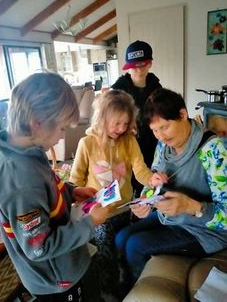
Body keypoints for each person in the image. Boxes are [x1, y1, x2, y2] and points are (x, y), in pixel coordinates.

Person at [0, 72, 110, 302]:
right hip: (56, 282)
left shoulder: (27, 150)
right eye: (62, 128)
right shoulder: (19, 181)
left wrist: (70, 190)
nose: (62, 136)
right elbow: (39, 247)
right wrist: (90, 223)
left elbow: (44, 189)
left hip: (63, 266)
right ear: (37, 123)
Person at [115, 87, 227, 285]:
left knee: (135, 245)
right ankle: (126, 284)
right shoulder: (163, 145)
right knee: (121, 237)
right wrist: (145, 199)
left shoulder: (213, 150)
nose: (161, 136)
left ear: (183, 115)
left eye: (165, 127)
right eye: (154, 130)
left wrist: (192, 207)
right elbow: (153, 180)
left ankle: (130, 290)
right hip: (170, 218)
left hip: (203, 231)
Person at [69, 89, 167, 301]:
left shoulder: (129, 141)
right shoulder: (86, 144)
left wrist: (151, 179)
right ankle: (108, 291)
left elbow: (140, 169)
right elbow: (75, 179)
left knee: (122, 249)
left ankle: (126, 284)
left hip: (125, 208)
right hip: (99, 214)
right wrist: (79, 201)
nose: (122, 128)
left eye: (126, 123)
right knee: (106, 254)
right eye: (116, 123)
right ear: (102, 119)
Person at [111, 40, 162, 196]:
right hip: (124, 143)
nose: (138, 70)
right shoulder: (117, 91)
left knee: (147, 184)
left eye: (143, 65)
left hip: (151, 144)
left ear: (150, 64)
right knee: (122, 185)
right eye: (134, 66)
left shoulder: (157, 89)